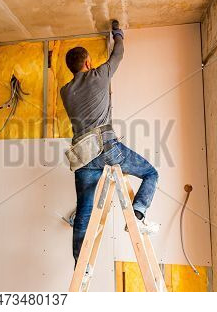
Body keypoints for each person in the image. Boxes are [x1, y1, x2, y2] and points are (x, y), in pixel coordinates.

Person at [61, 22, 159, 264]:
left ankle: (80, 264)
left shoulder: (65, 91)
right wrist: (117, 33)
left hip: (83, 157)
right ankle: (137, 214)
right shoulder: (99, 75)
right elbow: (119, 53)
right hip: (106, 150)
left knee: (84, 209)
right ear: (87, 63)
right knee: (151, 173)